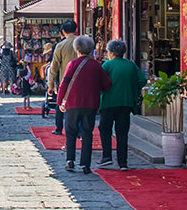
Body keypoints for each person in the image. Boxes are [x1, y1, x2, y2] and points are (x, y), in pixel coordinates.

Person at [57, 35, 112, 174]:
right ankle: (85, 164)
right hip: (91, 103)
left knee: (70, 131)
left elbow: (65, 83)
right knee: (87, 132)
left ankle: (70, 160)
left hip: (73, 103)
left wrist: (60, 101)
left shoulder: (72, 64)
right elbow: (106, 84)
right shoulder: (97, 66)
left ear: (77, 50)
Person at [99, 39, 147, 170]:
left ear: (111, 52)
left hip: (108, 102)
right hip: (126, 103)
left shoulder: (107, 65)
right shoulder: (131, 65)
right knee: (122, 133)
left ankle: (106, 156)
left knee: (104, 129)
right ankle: (123, 162)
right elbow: (142, 80)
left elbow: (100, 82)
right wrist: (132, 88)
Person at [48, 20, 78, 135]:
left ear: (63, 31)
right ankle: (78, 132)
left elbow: (54, 67)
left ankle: (60, 129)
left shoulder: (60, 46)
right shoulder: (84, 43)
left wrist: (50, 85)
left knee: (62, 106)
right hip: (81, 81)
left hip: (65, 82)